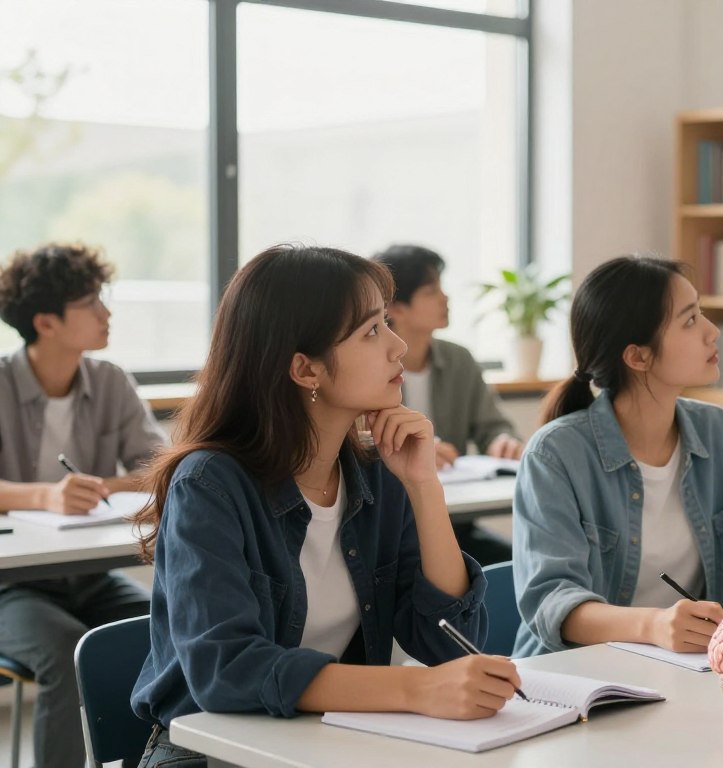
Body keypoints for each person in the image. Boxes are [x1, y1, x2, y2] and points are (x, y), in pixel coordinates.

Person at [130, 245, 518, 767]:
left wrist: (425, 489)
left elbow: (449, 645)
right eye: (373, 331)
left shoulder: (380, 472)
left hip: (329, 741)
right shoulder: (210, 485)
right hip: (208, 752)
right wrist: (414, 691)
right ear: (305, 370)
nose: (399, 346)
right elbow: (227, 671)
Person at [512, 256, 723, 658]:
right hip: (579, 681)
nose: (712, 331)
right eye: (690, 320)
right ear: (638, 357)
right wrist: (654, 625)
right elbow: (551, 602)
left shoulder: (721, 435)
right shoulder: (554, 454)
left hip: (687, 672)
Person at [0, 242, 165, 768]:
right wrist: (46, 495)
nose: (106, 313)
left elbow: (162, 467)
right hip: (11, 586)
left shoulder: (109, 380)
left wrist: (107, 486)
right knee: (67, 649)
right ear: (45, 322)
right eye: (91, 302)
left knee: (164, 624)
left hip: (86, 576)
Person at [373, 244, 523, 565]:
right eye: (431, 291)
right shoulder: (368, 367)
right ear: (396, 307)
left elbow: (492, 425)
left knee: (519, 564)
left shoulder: (460, 359)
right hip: (391, 528)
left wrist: (502, 440)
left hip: (456, 524)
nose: (445, 298)